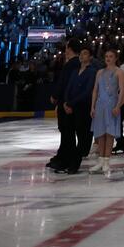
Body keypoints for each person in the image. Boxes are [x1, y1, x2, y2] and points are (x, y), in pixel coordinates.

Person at [57, 44, 96, 174]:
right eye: (81, 53)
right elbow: (68, 87)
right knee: (69, 134)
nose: (81, 56)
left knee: (82, 136)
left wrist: (71, 103)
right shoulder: (75, 71)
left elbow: (87, 91)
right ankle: (68, 161)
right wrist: (66, 102)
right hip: (70, 107)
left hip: (82, 108)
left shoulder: (92, 72)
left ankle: (75, 163)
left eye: (85, 53)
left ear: (90, 57)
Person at [89, 48, 124, 175]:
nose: (108, 58)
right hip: (100, 104)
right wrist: (92, 106)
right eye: (106, 56)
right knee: (100, 132)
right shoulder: (99, 72)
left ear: (115, 58)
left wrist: (118, 106)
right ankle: (100, 160)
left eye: (111, 56)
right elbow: (95, 89)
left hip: (112, 104)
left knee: (109, 132)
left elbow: (122, 90)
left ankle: (106, 160)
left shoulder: (119, 72)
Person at [47, 41, 80, 171]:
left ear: (69, 49)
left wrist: (56, 97)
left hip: (66, 102)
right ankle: (63, 156)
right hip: (69, 101)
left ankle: (66, 158)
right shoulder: (76, 64)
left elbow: (63, 83)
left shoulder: (71, 64)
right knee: (67, 131)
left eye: (66, 47)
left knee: (67, 131)